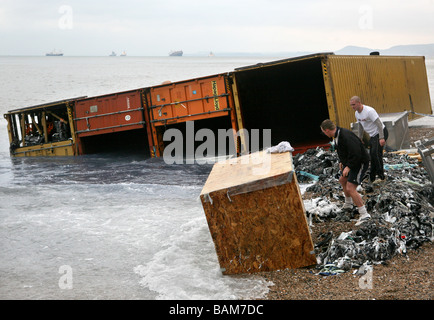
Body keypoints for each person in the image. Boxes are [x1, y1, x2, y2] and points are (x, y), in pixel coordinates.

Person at [320, 119, 370, 225]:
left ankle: (364, 214)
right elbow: (343, 151)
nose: (324, 134)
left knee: (350, 188)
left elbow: (356, 153)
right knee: (343, 180)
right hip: (351, 162)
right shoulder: (337, 136)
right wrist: (342, 162)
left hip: (360, 161)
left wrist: (349, 166)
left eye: (324, 132)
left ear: (327, 130)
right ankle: (348, 204)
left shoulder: (346, 136)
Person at [350, 96, 389, 182]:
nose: (353, 107)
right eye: (351, 105)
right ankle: (372, 177)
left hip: (380, 132)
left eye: (354, 105)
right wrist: (359, 137)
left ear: (359, 103)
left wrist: (382, 138)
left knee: (376, 154)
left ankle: (381, 175)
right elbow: (360, 126)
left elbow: (379, 123)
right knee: (372, 155)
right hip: (373, 135)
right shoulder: (357, 113)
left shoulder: (369, 111)